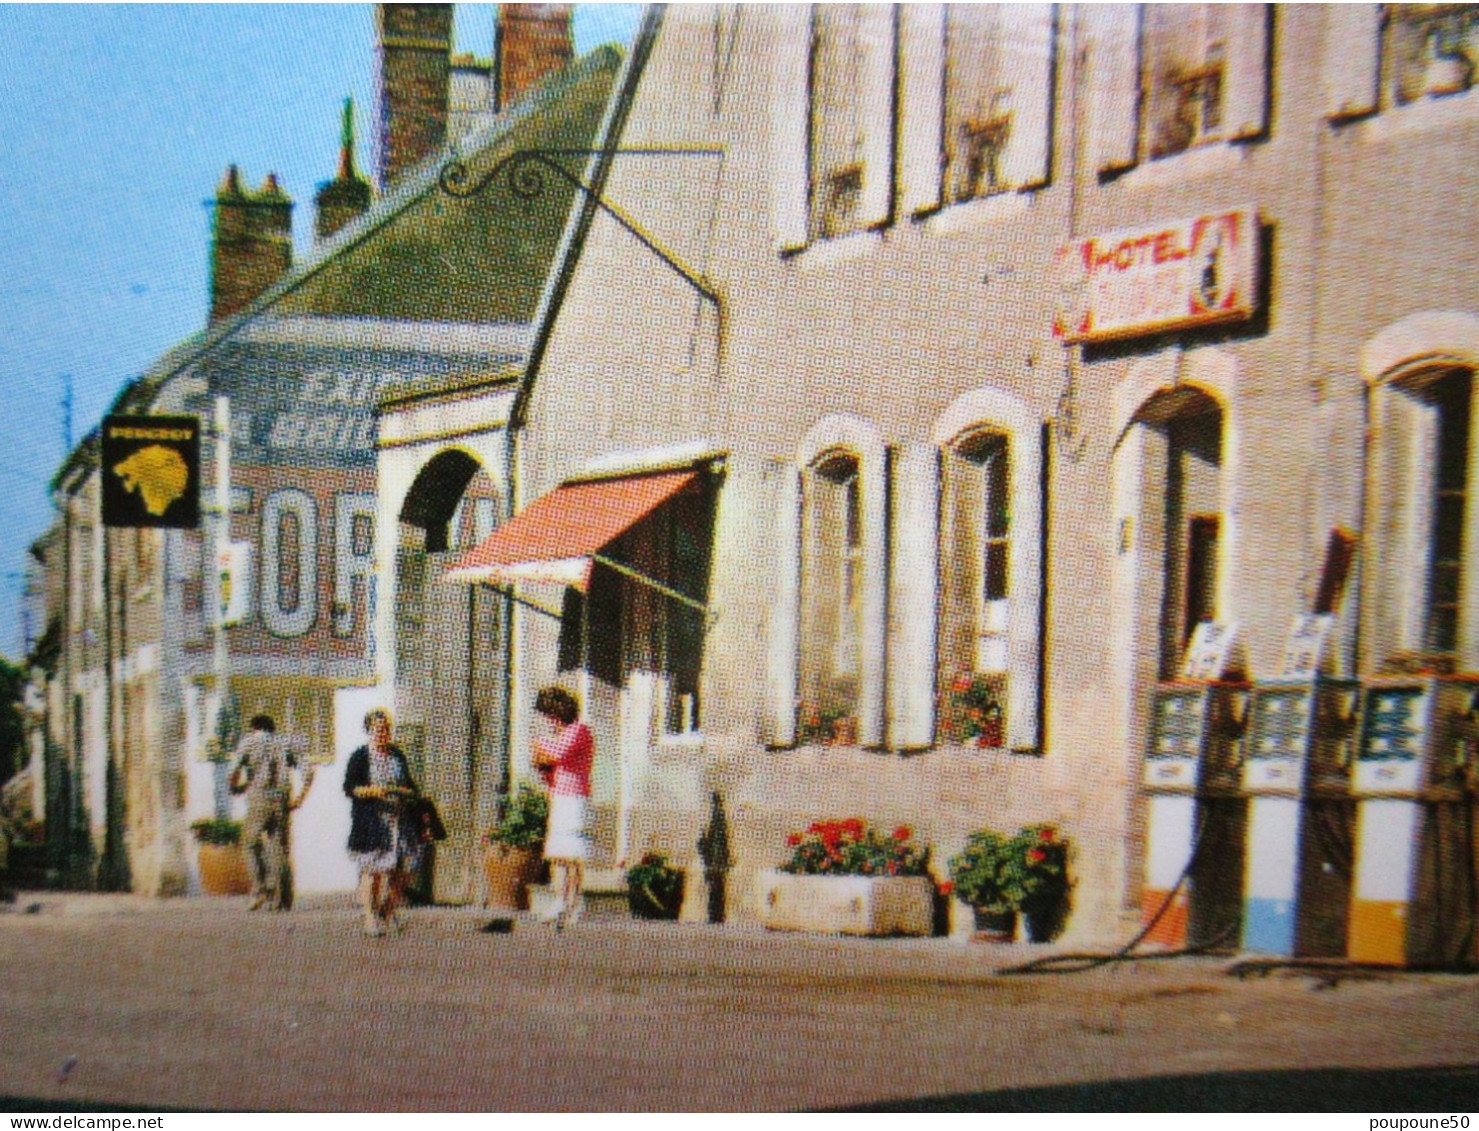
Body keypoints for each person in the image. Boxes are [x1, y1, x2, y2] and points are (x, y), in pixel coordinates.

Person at [343, 708, 422, 937]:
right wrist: (373, 791)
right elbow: (350, 788)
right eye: (378, 729)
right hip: (372, 821)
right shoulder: (361, 756)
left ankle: (387, 911)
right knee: (373, 871)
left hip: (400, 820)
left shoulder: (397, 755)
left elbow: (409, 784)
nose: (383, 733)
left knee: (404, 869)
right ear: (369, 731)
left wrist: (406, 793)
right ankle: (370, 917)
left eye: (386, 729)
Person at [229, 714, 312, 911]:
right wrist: (300, 798)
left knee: (249, 843)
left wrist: (236, 788)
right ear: (273, 727)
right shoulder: (286, 742)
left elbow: (234, 771)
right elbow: (308, 771)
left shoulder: (249, 742)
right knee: (279, 849)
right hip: (282, 798)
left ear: (254, 727)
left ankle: (262, 887)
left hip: (259, 797)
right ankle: (282, 899)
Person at [531, 685, 593, 928]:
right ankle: (561, 900)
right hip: (559, 795)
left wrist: (540, 746)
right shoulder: (562, 734)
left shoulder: (579, 731)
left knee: (572, 853)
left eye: (551, 716)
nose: (550, 721)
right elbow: (544, 763)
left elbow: (557, 754)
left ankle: (575, 902)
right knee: (558, 853)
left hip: (575, 798)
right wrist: (541, 756)